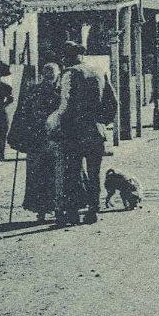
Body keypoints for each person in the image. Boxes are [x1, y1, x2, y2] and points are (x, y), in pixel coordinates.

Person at [49, 41, 116, 226]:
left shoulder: (69, 73)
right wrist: (102, 122)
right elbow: (113, 101)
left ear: (66, 57)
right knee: (94, 173)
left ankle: (72, 214)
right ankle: (93, 211)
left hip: (73, 133)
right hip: (95, 132)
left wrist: (55, 124)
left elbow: (64, 105)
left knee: (72, 173)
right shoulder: (99, 71)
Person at [9, 63, 61, 221]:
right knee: (55, 174)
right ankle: (57, 208)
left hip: (37, 140)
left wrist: (17, 137)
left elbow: (20, 115)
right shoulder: (60, 92)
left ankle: (41, 211)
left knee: (38, 175)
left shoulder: (32, 91)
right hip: (52, 139)